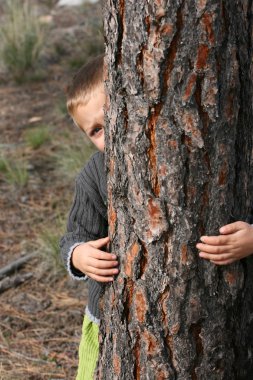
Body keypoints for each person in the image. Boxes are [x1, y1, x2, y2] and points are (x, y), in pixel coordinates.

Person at [59, 55, 117, 380]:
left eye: (110, 117)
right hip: (105, 312)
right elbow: (73, 235)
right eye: (95, 131)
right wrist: (79, 254)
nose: (107, 135)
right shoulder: (94, 175)